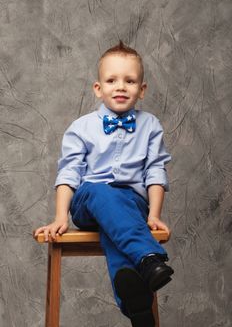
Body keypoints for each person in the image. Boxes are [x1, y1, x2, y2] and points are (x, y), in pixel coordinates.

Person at [35, 41, 174, 327]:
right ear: (98, 88)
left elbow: (155, 172)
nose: (120, 86)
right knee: (103, 191)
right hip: (89, 201)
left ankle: (138, 309)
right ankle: (149, 258)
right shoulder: (81, 127)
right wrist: (61, 216)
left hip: (131, 206)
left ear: (142, 89)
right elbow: (69, 173)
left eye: (130, 81)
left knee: (118, 229)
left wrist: (154, 214)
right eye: (112, 80)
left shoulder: (151, 126)